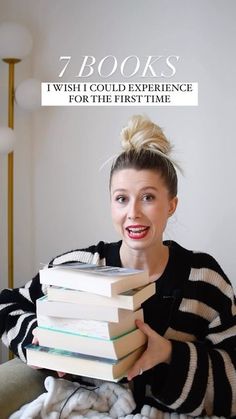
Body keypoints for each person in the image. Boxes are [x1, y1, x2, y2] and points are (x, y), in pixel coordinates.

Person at [0, 114, 236, 418]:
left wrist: (168, 355)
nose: (133, 213)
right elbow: (7, 303)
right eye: (121, 199)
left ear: (171, 205)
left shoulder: (205, 280)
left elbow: (233, 376)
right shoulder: (78, 268)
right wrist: (39, 335)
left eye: (148, 197)